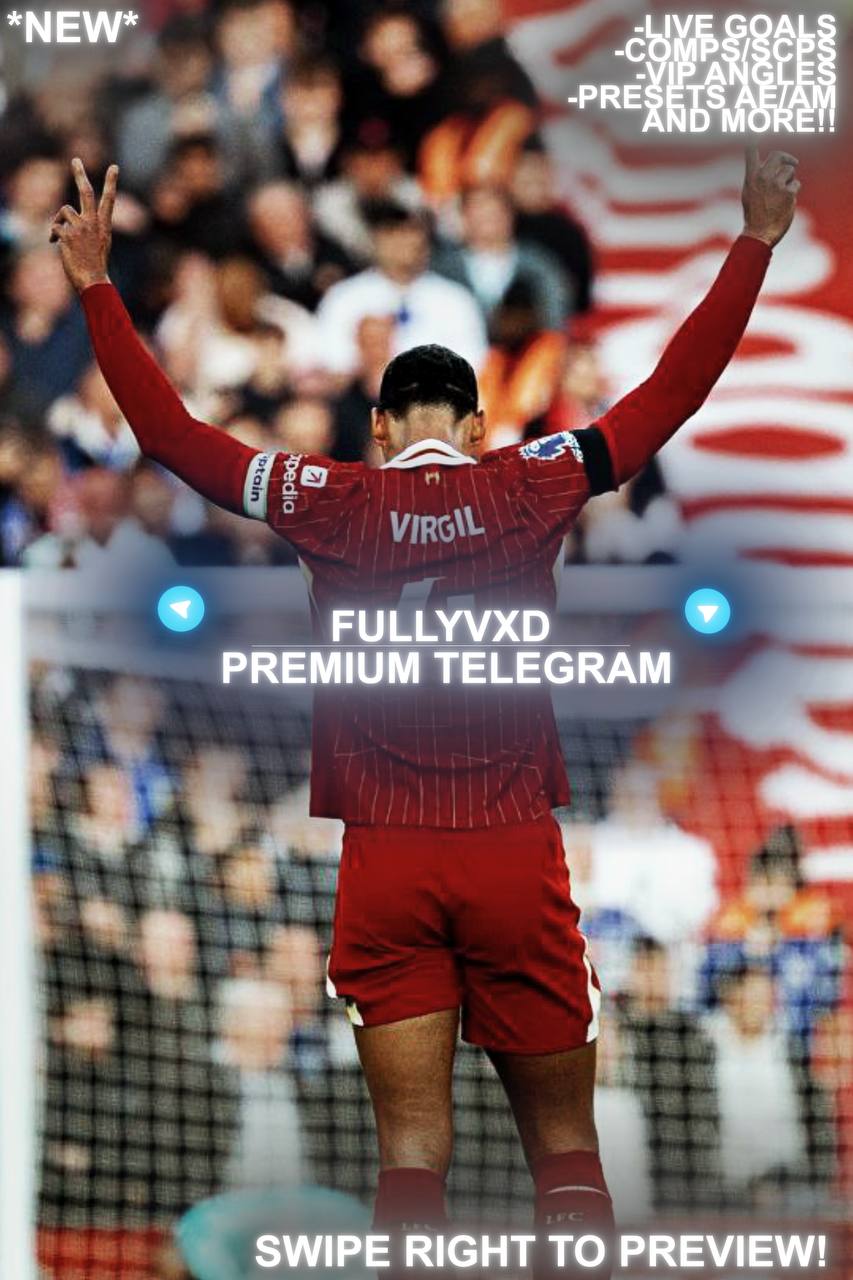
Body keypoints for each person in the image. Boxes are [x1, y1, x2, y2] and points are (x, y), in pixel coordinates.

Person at [50, 147, 800, 1280]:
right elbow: (672, 394)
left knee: (410, 1156)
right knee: (565, 1148)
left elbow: (167, 435)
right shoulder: (531, 479)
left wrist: (100, 286)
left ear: (385, 427)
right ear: (477, 423)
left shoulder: (328, 496)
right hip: (512, 849)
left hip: (385, 859)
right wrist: (752, 242)